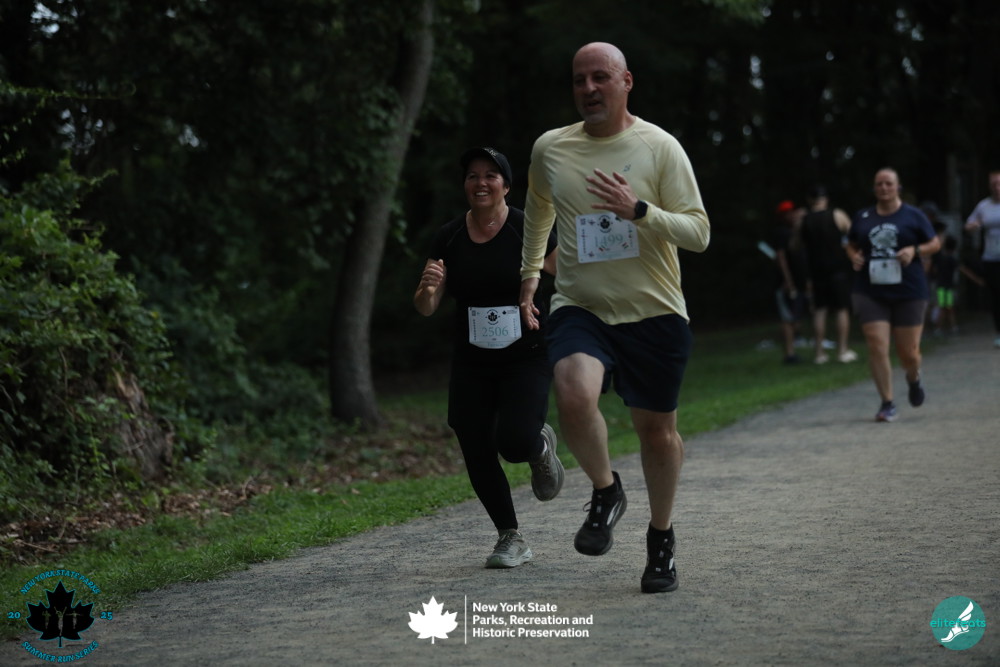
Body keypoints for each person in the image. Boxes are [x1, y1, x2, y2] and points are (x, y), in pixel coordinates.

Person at [518, 42, 710, 593]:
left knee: (657, 434)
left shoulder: (659, 147)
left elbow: (699, 232)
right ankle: (606, 491)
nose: (589, 89)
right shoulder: (551, 148)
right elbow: (538, 208)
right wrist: (530, 270)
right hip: (582, 305)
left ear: (627, 81)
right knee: (572, 391)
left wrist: (639, 211)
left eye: (600, 77)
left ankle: (661, 538)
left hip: (653, 311)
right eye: (579, 79)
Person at [414, 146, 562, 569]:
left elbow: (567, 273)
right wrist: (427, 288)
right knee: (474, 441)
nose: (480, 183)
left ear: (506, 186)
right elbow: (426, 306)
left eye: (490, 175)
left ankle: (538, 445)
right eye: (472, 176)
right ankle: (510, 536)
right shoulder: (448, 237)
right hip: (472, 360)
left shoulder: (527, 228)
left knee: (513, 442)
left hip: (526, 353)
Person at [846, 167, 940, 422]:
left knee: (909, 353)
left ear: (898, 187)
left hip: (908, 290)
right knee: (877, 344)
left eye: (888, 183)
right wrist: (853, 255)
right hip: (870, 289)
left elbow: (935, 243)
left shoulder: (913, 215)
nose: (884, 188)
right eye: (879, 184)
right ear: (874, 188)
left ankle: (913, 377)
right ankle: (887, 403)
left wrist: (914, 251)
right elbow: (850, 244)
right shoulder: (863, 216)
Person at [800, 185, 857, 364]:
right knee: (841, 309)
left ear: (809, 199)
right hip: (838, 269)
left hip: (816, 270)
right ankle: (842, 351)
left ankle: (819, 353)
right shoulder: (837, 215)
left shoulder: (804, 220)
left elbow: (795, 244)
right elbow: (854, 234)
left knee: (820, 310)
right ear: (826, 199)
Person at [963, 169, 1000, 348]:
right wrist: (975, 225)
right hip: (991, 257)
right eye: (994, 184)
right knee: (996, 295)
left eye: (999, 183)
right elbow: (968, 226)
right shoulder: (984, 206)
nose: (997, 187)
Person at [771, 200, 808, 364]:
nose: (790, 215)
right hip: (786, 284)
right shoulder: (781, 232)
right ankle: (789, 354)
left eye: (791, 211)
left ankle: (792, 350)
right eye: (786, 213)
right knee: (787, 319)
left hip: (799, 282)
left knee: (795, 319)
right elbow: (781, 257)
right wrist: (788, 281)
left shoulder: (796, 232)